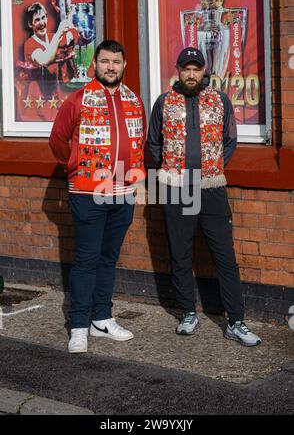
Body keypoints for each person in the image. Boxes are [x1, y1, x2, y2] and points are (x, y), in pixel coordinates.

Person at [147, 47, 261, 347]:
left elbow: (230, 140)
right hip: (176, 186)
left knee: (225, 255)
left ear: (204, 71)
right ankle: (188, 312)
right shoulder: (164, 102)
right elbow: (153, 143)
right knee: (180, 253)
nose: (191, 74)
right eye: (187, 68)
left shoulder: (220, 100)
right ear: (179, 70)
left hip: (211, 187)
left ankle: (236, 321)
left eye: (196, 68)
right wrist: (172, 168)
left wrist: (210, 165)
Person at [49, 40, 146, 353]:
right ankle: (78, 326)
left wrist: (137, 181)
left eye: (116, 62)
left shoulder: (134, 100)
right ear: (96, 64)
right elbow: (58, 139)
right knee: (86, 260)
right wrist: (75, 166)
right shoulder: (79, 99)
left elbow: (139, 146)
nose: (111, 67)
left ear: (124, 65)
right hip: (88, 193)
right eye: (105, 61)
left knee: (108, 258)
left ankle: (102, 318)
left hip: (122, 193)